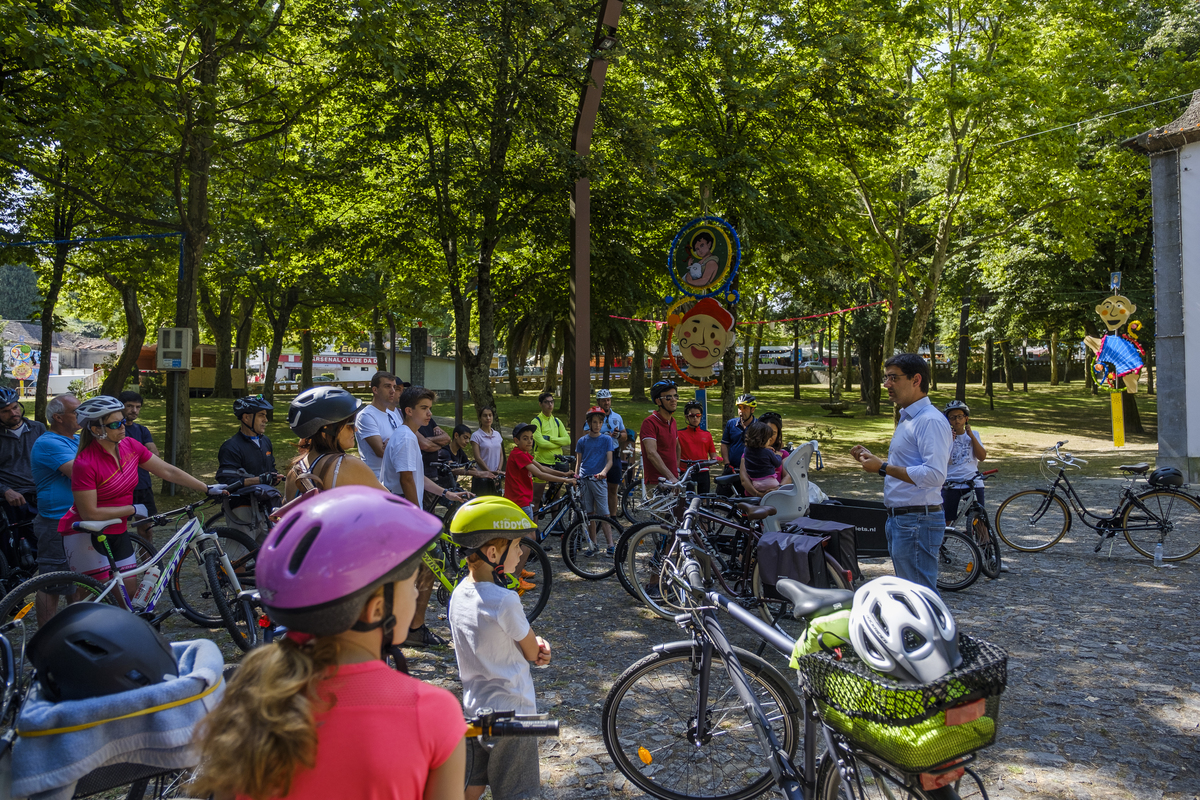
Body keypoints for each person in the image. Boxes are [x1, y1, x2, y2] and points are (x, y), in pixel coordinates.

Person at [192, 486, 466, 800]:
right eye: (411, 584)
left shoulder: (249, 698)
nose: (418, 593)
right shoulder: (431, 711)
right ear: (377, 608)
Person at [58, 396, 224, 601]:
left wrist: (206, 488)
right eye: (115, 424)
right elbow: (89, 513)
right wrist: (132, 509)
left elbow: (167, 471)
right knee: (93, 597)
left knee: (126, 595)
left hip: (117, 530)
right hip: (86, 533)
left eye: (123, 420)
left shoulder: (130, 445)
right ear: (97, 429)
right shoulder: (85, 463)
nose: (123, 426)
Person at [447, 497, 552, 800]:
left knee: (472, 783)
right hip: (514, 714)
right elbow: (532, 652)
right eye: (517, 546)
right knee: (518, 791)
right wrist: (541, 646)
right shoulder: (505, 600)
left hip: (474, 709)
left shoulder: (459, 594)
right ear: (493, 553)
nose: (521, 553)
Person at [850, 354, 952, 592]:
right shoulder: (909, 418)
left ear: (916, 380)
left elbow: (935, 475)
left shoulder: (930, 421)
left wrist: (883, 467)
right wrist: (876, 461)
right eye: (886, 378)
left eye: (893, 378)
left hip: (917, 521)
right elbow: (910, 465)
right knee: (913, 595)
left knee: (921, 597)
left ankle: (934, 631)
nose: (886, 384)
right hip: (903, 520)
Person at [381, 385, 467, 647]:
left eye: (430, 408)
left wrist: (445, 493)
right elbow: (407, 480)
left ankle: (399, 624)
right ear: (408, 410)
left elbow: (417, 478)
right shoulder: (407, 439)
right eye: (423, 408)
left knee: (409, 573)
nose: (429, 414)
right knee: (434, 565)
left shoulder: (407, 435)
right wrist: (418, 519)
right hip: (403, 517)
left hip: (398, 515)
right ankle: (414, 629)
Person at [29, 393, 80, 622]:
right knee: (51, 582)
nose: (82, 416)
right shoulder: (49, 442)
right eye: (76, 412)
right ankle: (46, 639)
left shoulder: (76, 440)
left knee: (78, 578)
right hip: (56, 521)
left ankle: (75, 629)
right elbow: (80, 474)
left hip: (79, 518)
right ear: (58, 418)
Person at [284, 386, 384, 498]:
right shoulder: (348, 465)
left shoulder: (294, 473)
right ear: (326, 429)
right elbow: (395, 505)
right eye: (350, 423)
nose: (355, 429)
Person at [505, 423, 575, 520]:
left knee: (529, 533)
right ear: (516, 440)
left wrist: (564, 474)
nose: (529, 441)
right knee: (529, 534)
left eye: (531, 438)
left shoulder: (524, 453)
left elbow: (542, 468)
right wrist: (566, 480)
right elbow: (540, 475)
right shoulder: (518, 455)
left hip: (523, 500)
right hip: (519, 501)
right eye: (525, 439)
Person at [0, 385, 45, 527]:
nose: (13, 413)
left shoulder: (38, 428)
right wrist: (5, 491)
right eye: (5, 411)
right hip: (11, 496)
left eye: (15, 407)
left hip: (41, 492)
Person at [118, 391, 160, 538]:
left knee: (146, 529)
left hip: (142, 486)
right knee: (116, 529)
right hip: (120, 488)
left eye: (138, 407)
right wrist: (141, 457)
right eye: (129, 406)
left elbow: (154, 455)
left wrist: (131, 458)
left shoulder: (142, 430)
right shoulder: (114, 429)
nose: (134, 410)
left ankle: (149, 560)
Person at [575, 407, 617, 554]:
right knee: (589, 514)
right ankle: (593, 545)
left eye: (600, 422)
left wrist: (603, 473)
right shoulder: (582, 441)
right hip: (585, 479)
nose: (597, 425)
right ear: (589, 423)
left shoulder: (606, 439)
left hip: (599, 480)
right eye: (594, 422)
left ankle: (611, 544)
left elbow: (610, 461)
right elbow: (578, 462)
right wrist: (576, 477)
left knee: (604, 513)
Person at [217, 395, 282, 488]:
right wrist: (259, 480)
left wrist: (275, 478)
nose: (266, 420)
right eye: (261, 415)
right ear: (246, 418)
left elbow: (271, 468)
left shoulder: (265, 441)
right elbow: (226, 481)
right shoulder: (231, 447)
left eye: (265, 415)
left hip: (267, 499)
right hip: (244, 501)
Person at [941, 400, 987, 527]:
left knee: (979, 519)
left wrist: (972, 436)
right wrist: (950, 441)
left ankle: (985, 544)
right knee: (946, 519)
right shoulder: (945, 437)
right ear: (948, 420)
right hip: (951, 482)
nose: (957, 420)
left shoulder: (974, 434)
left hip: (972, 481)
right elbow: (944, 460)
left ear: (966, 418)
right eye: (952, 417)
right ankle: (939, 545)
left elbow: (982, 457)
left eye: (960, 417)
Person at [354, 370, 401, 479]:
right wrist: (398, 442)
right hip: (378, 480)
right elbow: (381, 452)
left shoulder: (392, 414)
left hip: (396, 478)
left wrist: (391, 442)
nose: (392, 391)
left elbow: (406, 441)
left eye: (394, 387)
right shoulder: (366, 416)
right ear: (375, 390)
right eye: (387, 386)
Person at [529, 392, 570, 517]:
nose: (550, 404)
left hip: (556, 463)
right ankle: (534, 525)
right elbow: (541, 443)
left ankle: (554, 523)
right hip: (541, 462)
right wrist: (558, 443)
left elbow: (567, 440)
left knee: (556, 496)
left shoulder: (557, 421)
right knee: (536, 496)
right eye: (547, 402)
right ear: (541, 404)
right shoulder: (536, 422)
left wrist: (550, 438)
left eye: (552, 401)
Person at [640, 380, 680, 489]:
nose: (673, 400)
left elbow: (677, 447)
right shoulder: (649, 423)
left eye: (675, 396)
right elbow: (651, 453)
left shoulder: (673, 422)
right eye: (668, 397)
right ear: (658, 401)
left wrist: (676, 471)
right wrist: (670, 477)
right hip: (657, 483)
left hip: (673, 481)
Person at [595, 389, 627, 518]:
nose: (607, 403)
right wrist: (601, 435)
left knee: (613, 488)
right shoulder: (594, 416)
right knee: (597, 489)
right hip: (599, 455)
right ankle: (598, 516)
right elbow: (585, 434)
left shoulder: (617, 417)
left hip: (614, 455)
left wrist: (618, 435)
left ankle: (612, 517)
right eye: (604, 400)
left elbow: (624, 435)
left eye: (608, 400)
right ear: (599, 402)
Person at [435, 424, 490, 493]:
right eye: (465, 437)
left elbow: (469, 466)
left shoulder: (460, 452)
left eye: (468, 439)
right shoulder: (444, 452)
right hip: (440, 489)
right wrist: (475, 473)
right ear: (456, 436)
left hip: (452, 486)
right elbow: (453, 470)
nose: (467, 441)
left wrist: (490, 474)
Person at [678, 401, 718, 494]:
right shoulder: (679, 434)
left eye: (698, 415)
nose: (695, 418)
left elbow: (713, 455)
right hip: (686, 472)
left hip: (703, 471)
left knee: (704, 502)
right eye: (692, 415)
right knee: (686, 501)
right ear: (687, 417)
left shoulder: (707, 434)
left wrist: (715, 460)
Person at [469, 407, 504, 495]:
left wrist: (498, 471)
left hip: (496, 477)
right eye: (485, 416)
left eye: (490, 415)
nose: (488, 418)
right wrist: (490, 472)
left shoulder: (497, 434)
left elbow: (501, 455)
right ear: (480, 418)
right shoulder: (476, 436)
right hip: (482, 478)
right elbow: (478, 458)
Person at [720, 393, 756, 472]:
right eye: (739, 408)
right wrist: (726, 463)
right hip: (733, 468)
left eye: (745, 408)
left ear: (752, 409)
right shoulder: (731, 423)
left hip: (752, 469)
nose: (741, 411)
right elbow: (724, 444)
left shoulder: (758, 426)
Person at [759, 411, 791, 483]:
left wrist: (777, 490)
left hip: (777, 493)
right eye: (767, 432)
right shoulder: (749, 452)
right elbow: (744, 480)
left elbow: (788, 477)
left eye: (773, 433)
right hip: (753, 494)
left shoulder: (783, 454)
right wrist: (758, 493)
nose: (770, 436)